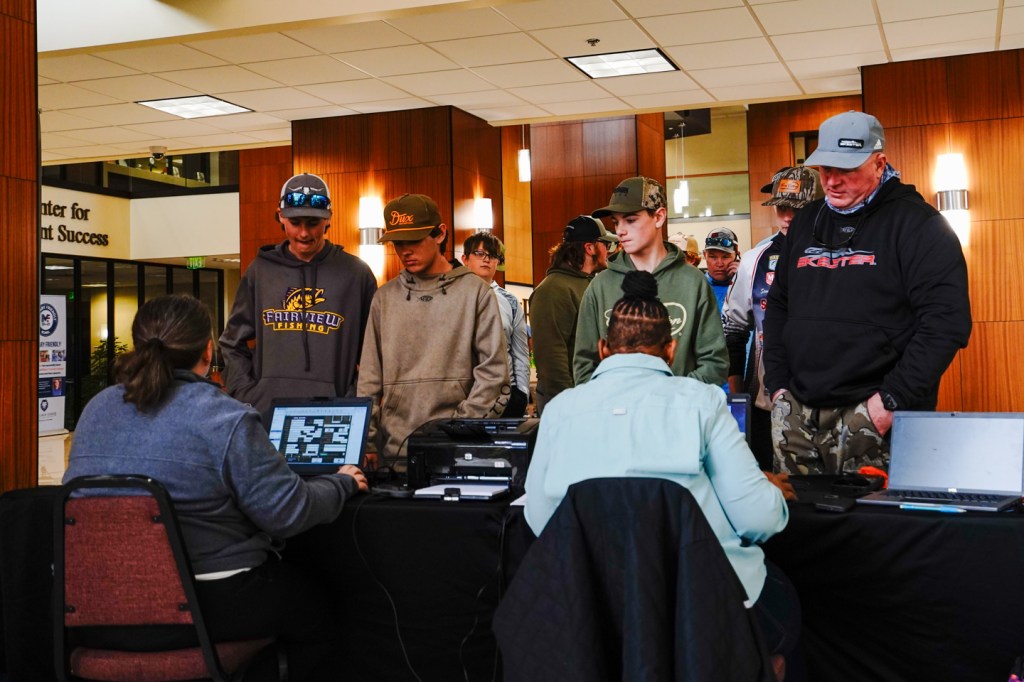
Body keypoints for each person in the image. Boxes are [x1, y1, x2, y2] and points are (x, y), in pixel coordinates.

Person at [64, 294, 368, 681]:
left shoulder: (97, 408)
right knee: (321, 612)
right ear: (208, 351)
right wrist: (342, 483)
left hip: (94, 608)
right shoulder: (225, 417)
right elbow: (286, 513)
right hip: (208, 606)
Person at [526, 271, 798, 678]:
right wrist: (766, 489)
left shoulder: (560, 410)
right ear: (670, 350)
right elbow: (758, 519)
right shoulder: (703, 402)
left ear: (602, 349)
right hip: (700, 606)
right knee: (784, 608)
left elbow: (540, 519)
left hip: (595, 608)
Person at [764, 111, 972, 474]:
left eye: (846, 170)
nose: (832, 181)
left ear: (879, 163)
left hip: (875, 415)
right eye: (825, 169)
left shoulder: (919, 225)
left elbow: (946, 324)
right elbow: (779, 306)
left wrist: (889, 401)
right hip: (797, 414)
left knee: (873, 513)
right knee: (797, 512)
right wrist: (779, 387)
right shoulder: (806, 222)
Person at [357, 193, 509, 464]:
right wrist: (366, 441)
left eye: (414, 240)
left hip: (460, 453)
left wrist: (459, 429)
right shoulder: (384, 298)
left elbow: (494, 374)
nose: (405, 251)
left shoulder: (476, 293)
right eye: (398, 243)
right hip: (396, 453)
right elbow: (369, 378)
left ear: (440, 234)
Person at [219, 173, 378, 426]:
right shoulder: (260, 270)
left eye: (313, 223)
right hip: (268, 416)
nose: (304, 233)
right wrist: (248, 395)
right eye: (295, 222)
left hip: (335, 416)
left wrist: (352, 401)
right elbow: (231, 343)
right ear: (280, 216)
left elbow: (373, 354)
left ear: (328, 219)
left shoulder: (356, 274)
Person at [573, 176, 728, 387]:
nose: (620, 231)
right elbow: (584, 366)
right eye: (616, 222)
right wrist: (617, 399)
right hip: (616, 408)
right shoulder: (599, 287)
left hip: (679, 406)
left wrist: (670, 396)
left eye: (630, 220)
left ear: (659, 217)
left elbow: (715, 362)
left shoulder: (693, 282)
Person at [722, 166, 823, 469]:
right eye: (781, 208)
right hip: (768, 402)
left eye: (797, 208)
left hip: (834, 400)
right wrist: (739, 400)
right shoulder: (755, 259)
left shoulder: (843, 254)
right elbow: (733, 330)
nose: (788, 217)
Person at [529, 215, 618, 415]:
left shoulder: (591, 284)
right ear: (590, 248)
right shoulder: (552, 290)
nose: (609, 251)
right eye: (606, 244)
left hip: (594, 402)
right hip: (569, 408)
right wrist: (571, 406)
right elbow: (551, 360)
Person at [461, 231, 530, 417]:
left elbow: (520, 352)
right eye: (479, 253)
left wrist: (522, 393)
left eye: (492, 255)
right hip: (465, 393)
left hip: (505, 394)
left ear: (497, 262)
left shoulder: (511, 301)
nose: (486, 259)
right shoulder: (453, 298)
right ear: (465, 259)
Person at [702, 227, 741, 312]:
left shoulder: (748, 285)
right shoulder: (697, 287)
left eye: (725, 257)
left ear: (736, 255)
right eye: (713, 257)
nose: (719, 264)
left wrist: (743, 280)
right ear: (705, 255)